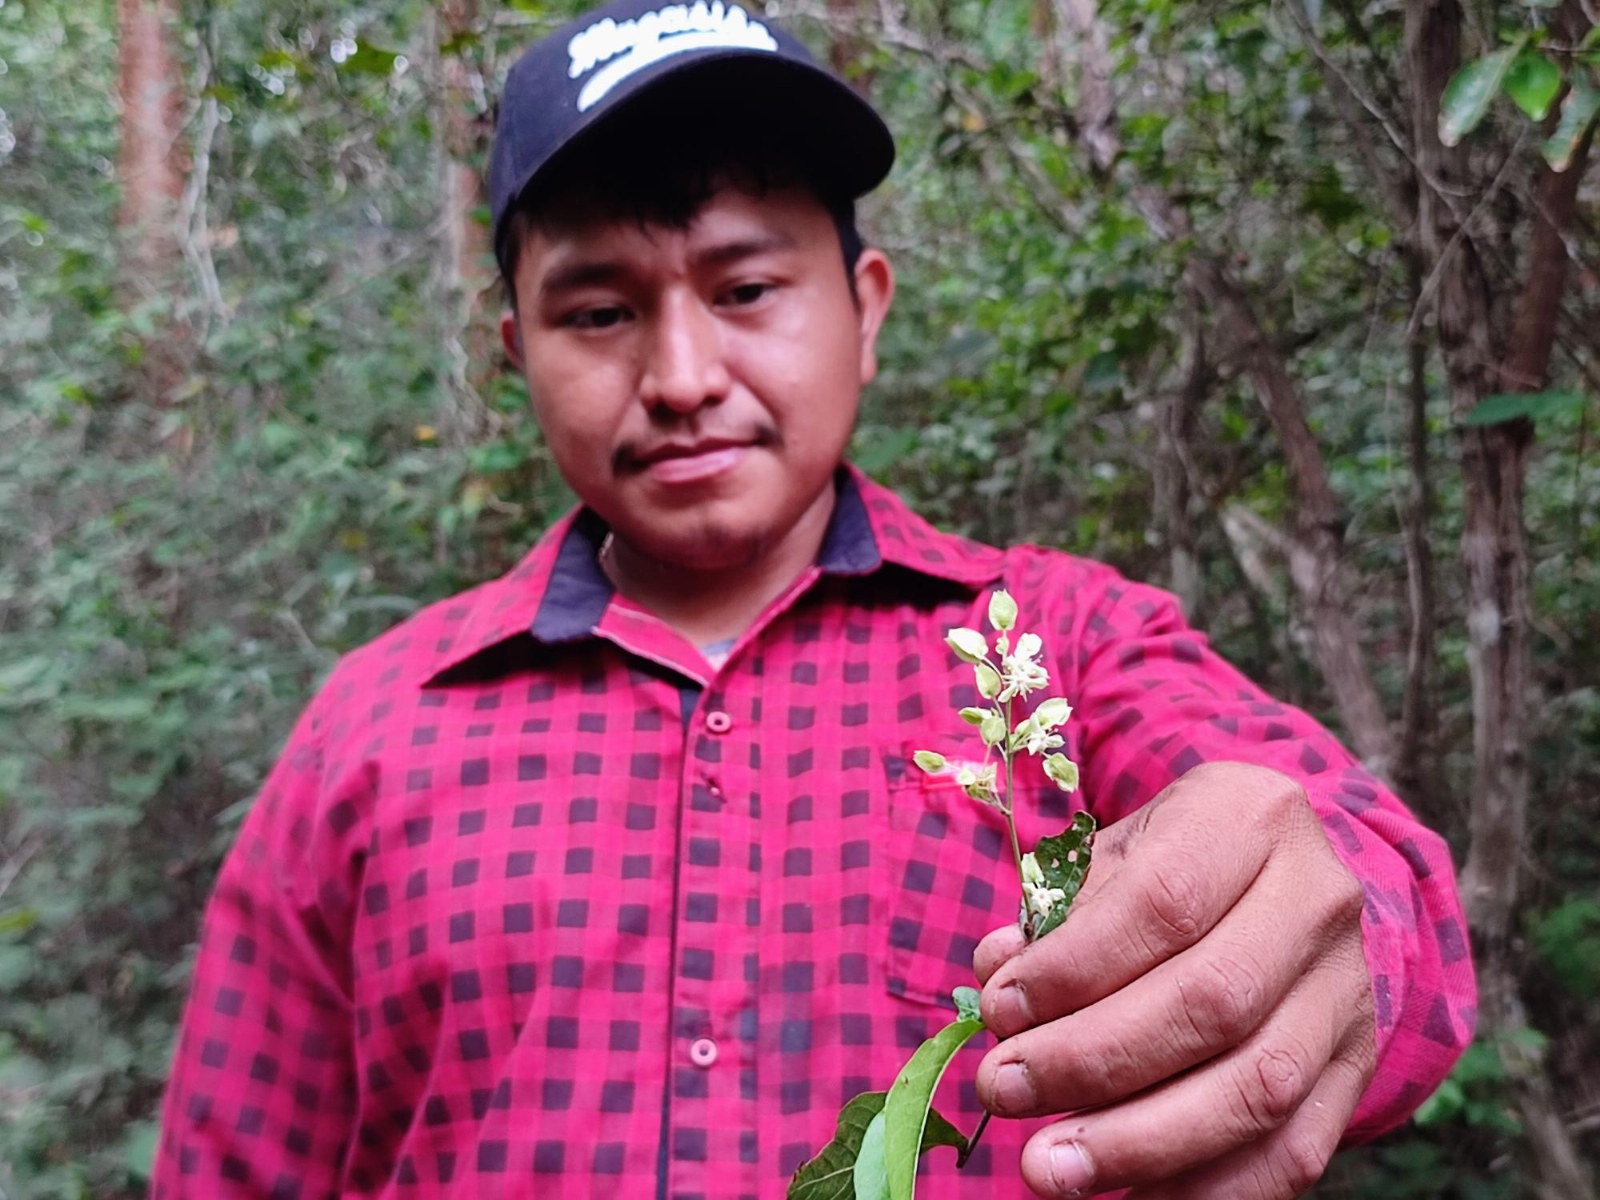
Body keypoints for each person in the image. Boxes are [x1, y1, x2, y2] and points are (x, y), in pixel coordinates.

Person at [150, 2, 1476, 1196]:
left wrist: (1331, 922)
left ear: (865, 306)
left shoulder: (1054, 647)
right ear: (517, 352)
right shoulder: (373, 728)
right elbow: (231, 1161)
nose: (681, 374)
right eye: (601, 312)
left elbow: (1382, 897)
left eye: (745, 289)